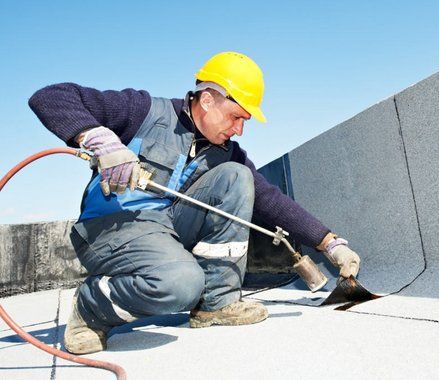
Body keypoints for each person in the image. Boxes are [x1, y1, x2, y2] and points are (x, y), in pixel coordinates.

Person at [29, 51, 360, 355]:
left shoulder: (225, 151)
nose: (240, 129)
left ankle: (217, 303)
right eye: (235, 117)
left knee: (236, 177)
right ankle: (91, 306)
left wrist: (330, 244)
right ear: (207, 99)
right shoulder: (142, 111)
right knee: (181, 285)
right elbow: (50, 97)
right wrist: (99, 139)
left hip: (165, 228)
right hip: (111, 227)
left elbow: (270, 200)